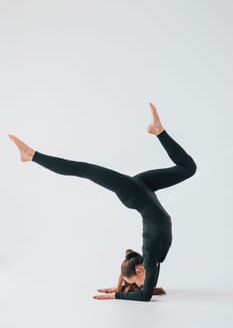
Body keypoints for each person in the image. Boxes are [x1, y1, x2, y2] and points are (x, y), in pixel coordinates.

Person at [8, 102, 197, 302]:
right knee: (188, 168)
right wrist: (120, 287)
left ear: (140, 270)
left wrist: (117, 293)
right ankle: (158, 131)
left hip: (136, 194)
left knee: (86, 170)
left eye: (134, 283)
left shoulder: (150, 257)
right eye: (135, 284)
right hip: (144, 190)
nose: (141, 285)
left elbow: (143, 295)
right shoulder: (153, 261)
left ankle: (31, 156)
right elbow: (145, 294)